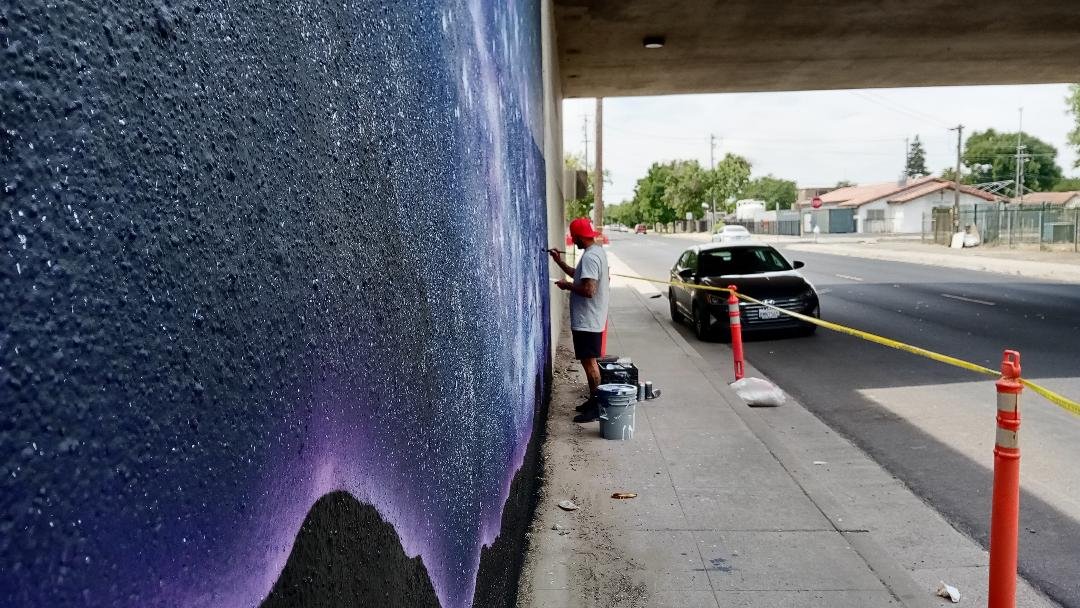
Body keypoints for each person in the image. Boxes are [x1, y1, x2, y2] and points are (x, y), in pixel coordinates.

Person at [548, 217, 610, 423]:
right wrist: (559, 263)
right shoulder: (595, 252)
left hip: (589, 320)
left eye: (574, 237)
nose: (573, 241)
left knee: (590, 363)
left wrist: (567, 287)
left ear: (582, 236)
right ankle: (594, 401)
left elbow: (588, 290)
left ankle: (598, 406)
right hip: (589, 320)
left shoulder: (591, 257)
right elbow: (580, 276)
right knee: (587, 362)